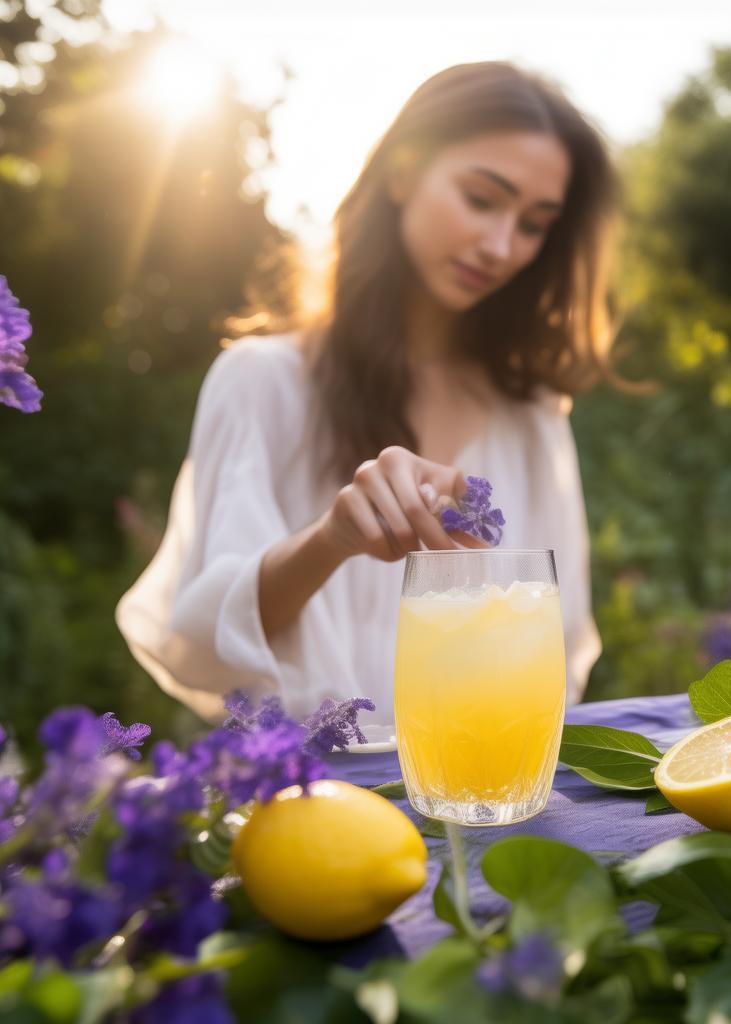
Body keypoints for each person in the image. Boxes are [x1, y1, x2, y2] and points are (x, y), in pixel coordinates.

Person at [116, 61, 619, 733]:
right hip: (311, 787)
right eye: (480, 199)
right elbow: (208, 639)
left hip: (483, 782)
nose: (501, 246)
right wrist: (333, 539)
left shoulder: (531, 415)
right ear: (402, 172)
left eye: (533, 225)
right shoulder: (263, 381)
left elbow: (556, 644)